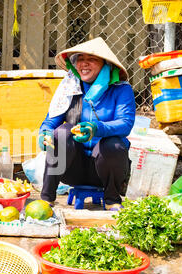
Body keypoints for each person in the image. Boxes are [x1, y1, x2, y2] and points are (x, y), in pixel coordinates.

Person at [38, 37, 136, 211]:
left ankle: (113, 199)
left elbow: (125, 123)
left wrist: (97, 128)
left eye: (91, 59)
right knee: (62, 132)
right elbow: (50, 120)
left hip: (106, 170)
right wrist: (44, 133)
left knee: (113, 143)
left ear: (106, 65)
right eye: (80, 59)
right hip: (73, 169)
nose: (84, 64)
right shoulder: (70, 87)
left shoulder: (121, 89)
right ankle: (46, 199)